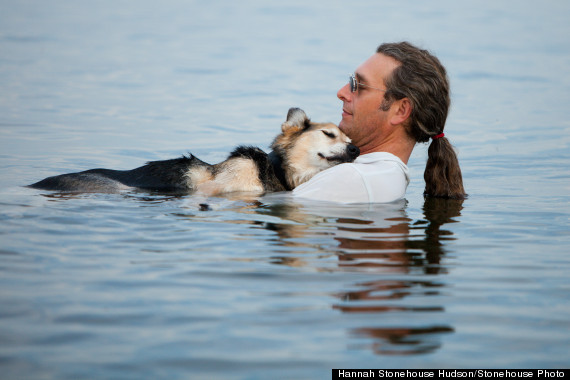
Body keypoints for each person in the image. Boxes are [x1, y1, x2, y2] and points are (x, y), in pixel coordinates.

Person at [293, 41, 466, 203]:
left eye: (359, 86)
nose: (342, 92)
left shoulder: (354, 178)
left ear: (401, 110)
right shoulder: (383, 176)